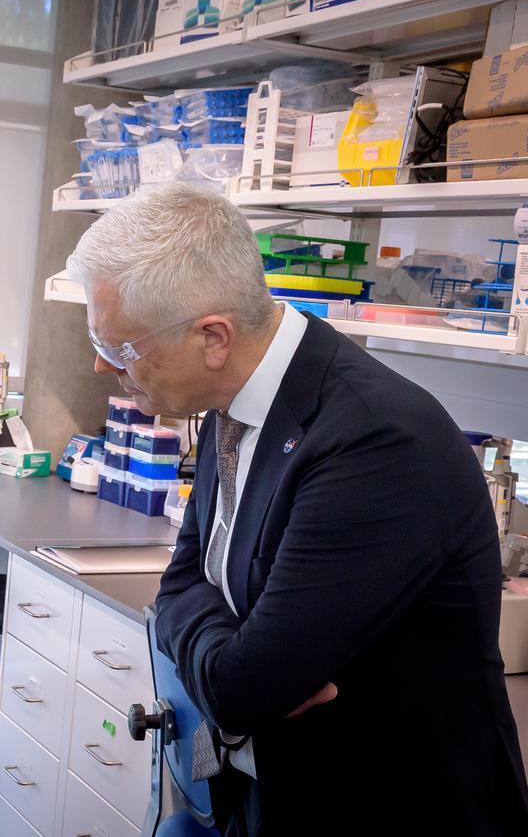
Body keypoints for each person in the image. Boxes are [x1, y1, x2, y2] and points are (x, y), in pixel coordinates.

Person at [66, 183, 528, 835]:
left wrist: (230, 660)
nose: (100, 365)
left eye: (121, 350)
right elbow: (181, 583)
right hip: (263, 787)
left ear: (213, 338)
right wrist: (227, 648)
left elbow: (242, 689)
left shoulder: (375, 444)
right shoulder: (232, 402)